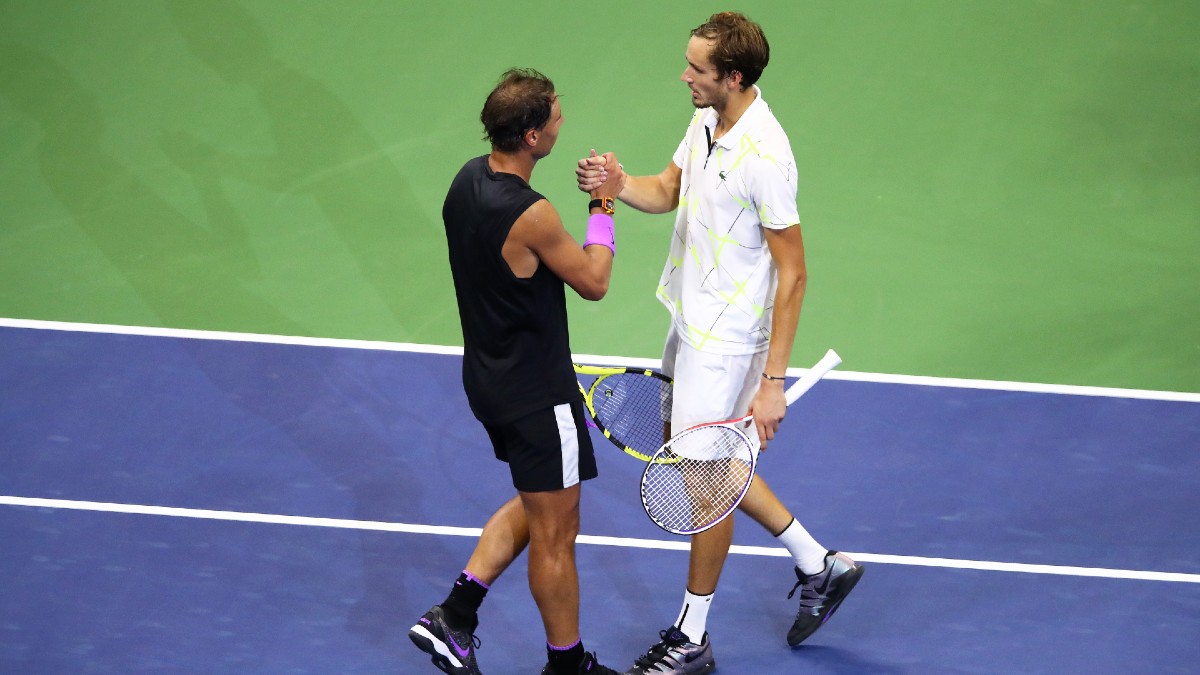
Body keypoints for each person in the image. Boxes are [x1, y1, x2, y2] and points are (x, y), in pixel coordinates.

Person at [576, 12, 864, 674]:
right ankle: (819, 563)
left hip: (731, 342)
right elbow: (669, 189)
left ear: (731, 77)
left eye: (696, 69)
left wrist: (771, 381)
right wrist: (617, 188)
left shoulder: (766, 157)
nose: (685, 75)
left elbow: (794, 272)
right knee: (702, 462)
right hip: (691, 317)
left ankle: (692, 637)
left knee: (704, 483)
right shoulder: (707, 120)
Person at [409, 68, 623, 675]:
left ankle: (455, 614)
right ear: (531, 136)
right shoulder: (533, 214)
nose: (562, 120)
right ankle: (566, 665)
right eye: (555, 114)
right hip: (536, 394)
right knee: (558, 533)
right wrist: (602, 204)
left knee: (540, 508)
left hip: (488, 380)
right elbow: (595, 281)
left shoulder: (465, 181)